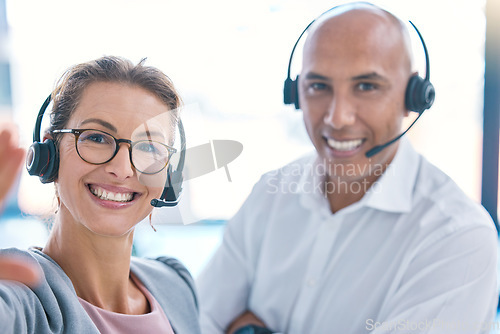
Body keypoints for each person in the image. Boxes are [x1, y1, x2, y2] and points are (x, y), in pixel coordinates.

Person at [196, 3, 498, 334]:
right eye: (319, 86)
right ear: (295, 93)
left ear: (413, 97)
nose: (337, 118)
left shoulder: (458, 238)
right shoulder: (272, 193)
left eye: (367, 86)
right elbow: (197, 320)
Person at [0, 56, 201, 333]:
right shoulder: (19, 295)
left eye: (148, 147)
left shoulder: (175, 285)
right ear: (50, 155)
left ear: (168, 175)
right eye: (96, 138)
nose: (121, 169)